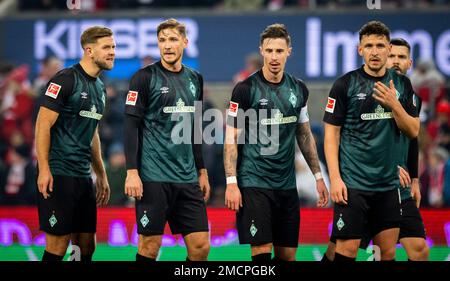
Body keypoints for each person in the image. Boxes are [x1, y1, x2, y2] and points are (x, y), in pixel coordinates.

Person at [223, 23, 328, 262]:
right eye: (269, 50)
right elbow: (231, 138)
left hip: (286, 184)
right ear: (262, 50)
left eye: (279, 51)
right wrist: (231, 181)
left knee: (287, 255)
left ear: (288, 51)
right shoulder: (245, 90)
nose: (273, 57)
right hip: (254, 183)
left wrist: (318, 176)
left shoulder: (299, 89)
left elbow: (304, 134)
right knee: (261, 253)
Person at [322, 37, 428, 261]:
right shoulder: (357, 88)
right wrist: (337, 177)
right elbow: (343, 136)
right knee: (341, 250)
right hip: (362, 183)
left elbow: (413, 137)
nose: (396, 61)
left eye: (402, 57)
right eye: (393, 56)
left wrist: (415, 179)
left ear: (410, 63)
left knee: (416, 249)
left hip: (399, 187)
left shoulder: (407, 95)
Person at [124, 18, 210, 262]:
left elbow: (194, 127)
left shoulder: (195, 79)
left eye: (173, 39)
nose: (167, 46)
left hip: (187, 177)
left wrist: (201, 169)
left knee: (201, 247)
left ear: (185, 42)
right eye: (162, 41)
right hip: (153, 177)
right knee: (150, 246)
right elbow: (130, 125)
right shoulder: (143, 78)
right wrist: (132, 171)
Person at [35, 26, 115, 261]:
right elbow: (42, 125)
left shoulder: (100, 88)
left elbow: (92, 133)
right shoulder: (65, 79)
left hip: (82, 177)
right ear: (89, 50)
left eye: (113, 47)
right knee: (58, 246)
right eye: (107, 47)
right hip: (58, 174)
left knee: (86, 247)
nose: (112, 52)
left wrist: (101, 174)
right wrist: (44, 169)